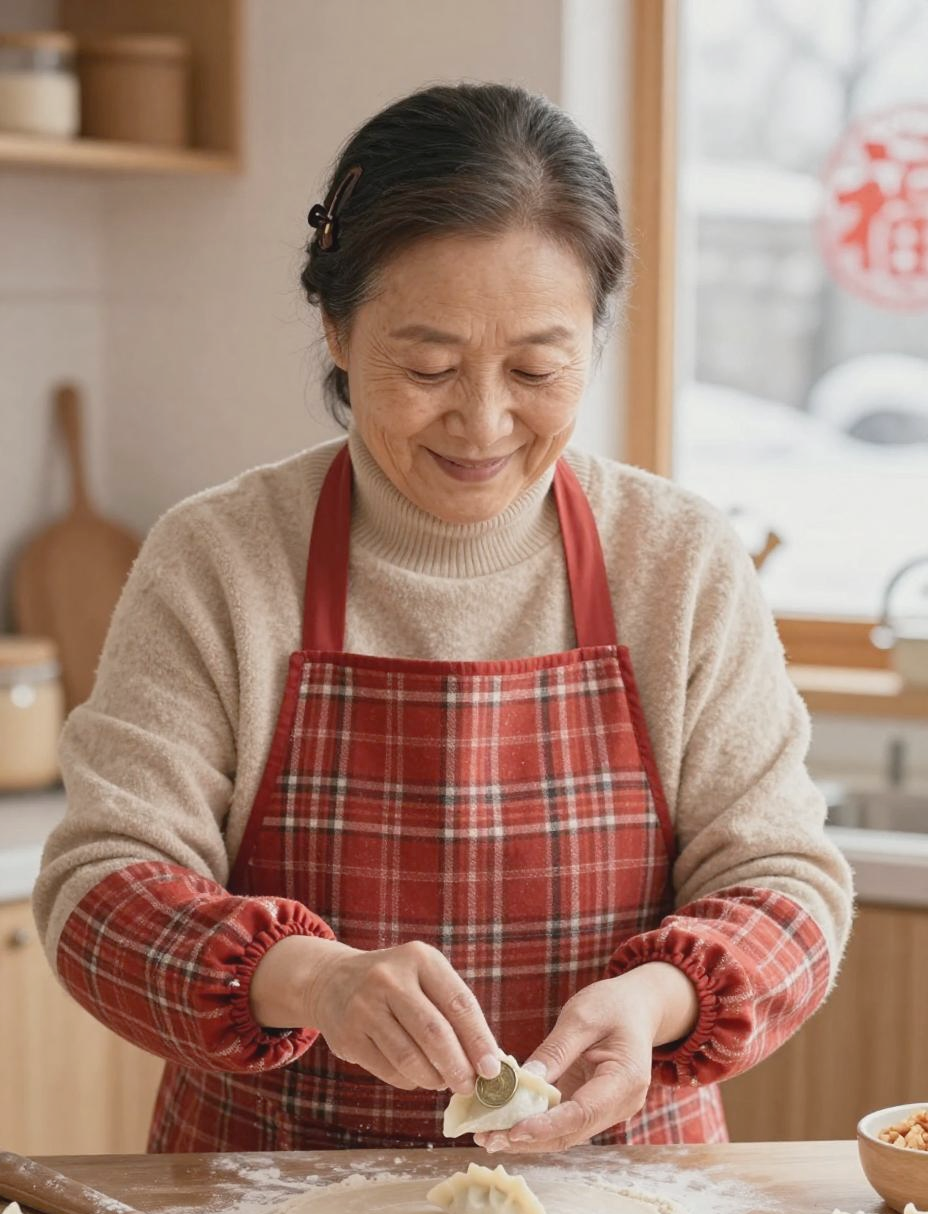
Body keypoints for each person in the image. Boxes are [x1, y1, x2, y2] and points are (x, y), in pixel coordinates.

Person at [35, 83, 853, 1156]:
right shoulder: (222, 560)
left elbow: (787, 889)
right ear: (333, 325)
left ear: (594, 343)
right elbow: (98, 894)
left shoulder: (678, 561)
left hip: (623, 1206)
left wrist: (655, 1003)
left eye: (535, 367)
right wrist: (312, 981)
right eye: (426, 367)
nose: (482, 419)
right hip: (262, 1204)